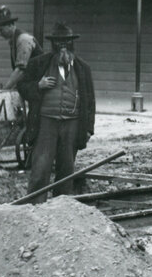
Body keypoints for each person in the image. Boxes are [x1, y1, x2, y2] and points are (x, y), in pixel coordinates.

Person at [17, 23, 95, 204]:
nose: (63, 45)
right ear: (53, 44)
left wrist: (89, 129)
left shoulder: (83, 68)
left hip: (72, 124)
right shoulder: (39, 64)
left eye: (66, 41)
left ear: (71, 43)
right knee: (41, 168)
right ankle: (35, 207)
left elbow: (90, 101)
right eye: (59, 42)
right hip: (46, 123)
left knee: (66, 169)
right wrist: (38, 85)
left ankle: (60, 209)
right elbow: (22, 86)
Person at [0, 6, 43, 90]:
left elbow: (20, 71)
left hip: (40, 85)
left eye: (0, 30)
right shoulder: (14, 41)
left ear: (10, 25)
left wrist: (5, 90)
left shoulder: (23, 40)